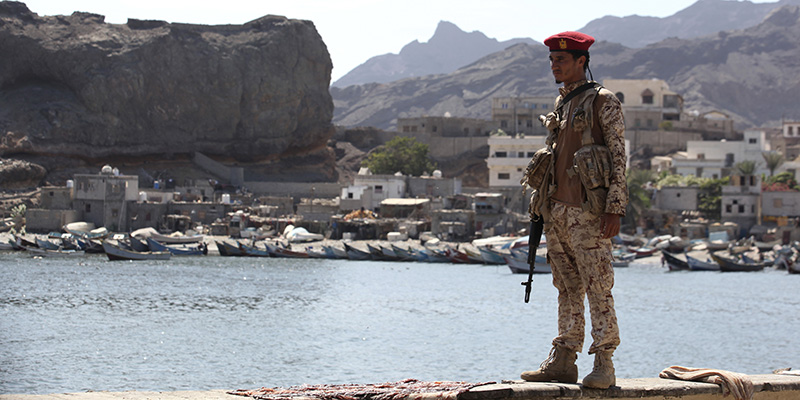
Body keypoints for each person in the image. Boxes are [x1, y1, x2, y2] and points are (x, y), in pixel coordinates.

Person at [520, 31, 628, 389]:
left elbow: (618, 159)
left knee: (598, 286)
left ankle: (604, 363)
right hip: (557, 213)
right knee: (567, 287)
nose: (555, 66)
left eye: (561, 60)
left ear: (581, 61)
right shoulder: (562, 103)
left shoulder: (603, 101)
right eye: (552, 60)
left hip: (588, 214)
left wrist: (614, 209)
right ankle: (564, 358)